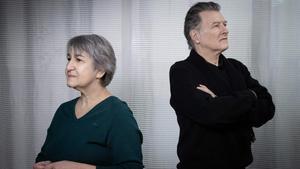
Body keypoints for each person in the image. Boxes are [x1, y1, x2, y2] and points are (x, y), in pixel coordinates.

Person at [169, 2, 275, 169]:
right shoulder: (182, 71)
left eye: (225, 24)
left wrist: (220, 101)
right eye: (216, 26)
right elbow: (211, 114)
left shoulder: (237, 67)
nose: (225, 30)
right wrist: (250, 96)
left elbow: (267, 108)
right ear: (195, 36)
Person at [33, 34, 144, 169]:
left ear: (100, 71)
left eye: (78, 60)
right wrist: (41, 164)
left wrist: (79, 168)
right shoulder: (64, 110)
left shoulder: (118, 114)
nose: (68, 66)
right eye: (69, 59)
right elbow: (44, 155)